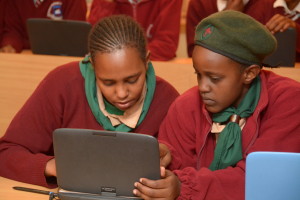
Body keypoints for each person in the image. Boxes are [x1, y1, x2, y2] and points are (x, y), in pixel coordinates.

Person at [133, 10, 300, 199]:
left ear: (249, 73)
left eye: (214, 78)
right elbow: (176, 170)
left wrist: (185, 187)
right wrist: (169, 158)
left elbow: (261, 180)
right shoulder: (186, 105)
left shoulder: (288, 101)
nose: (203, 87)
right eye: (198, 74)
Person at [0, 15, 179, 188]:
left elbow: (190, 170)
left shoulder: (168, 100)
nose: (122, 93)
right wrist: (53, 166)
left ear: (147, 62)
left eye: (132, 80)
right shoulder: (62, 85)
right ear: (93, 67)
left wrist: (171, 165)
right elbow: (6, 153)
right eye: (108, 82)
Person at [88, 0, 183, 61]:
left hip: (158, 69)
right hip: (112, 72)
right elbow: (95, 45)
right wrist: (105, 4)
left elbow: (166, 46)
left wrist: (126, 58)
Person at [186, 0, 269, 57]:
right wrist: (226, 18)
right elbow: (195, 53)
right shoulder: (199, 3)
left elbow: (266, 55)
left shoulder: (268, 4)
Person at [0, 0, 87, 53]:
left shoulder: (75, 1)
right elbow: (13, 30)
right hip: (26, 59)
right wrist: (10, 45)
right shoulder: (15, 2)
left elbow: (75, 39)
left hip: (60, 60)